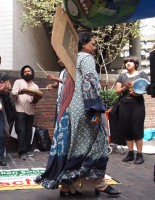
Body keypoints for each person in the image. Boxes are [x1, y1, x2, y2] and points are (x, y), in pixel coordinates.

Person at [34, 32, 120, 197]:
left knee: (73, 146)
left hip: (69, 110)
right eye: (92, 44)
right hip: (85, 109)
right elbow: (89, 83)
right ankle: (99, 184)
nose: (94, 48)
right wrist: (94, 109)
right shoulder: (86, 59)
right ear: (83, 44)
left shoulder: (70, 61)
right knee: (97, 144)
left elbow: (68, 86)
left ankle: (67, 186)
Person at [114, 55, 149, 164]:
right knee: (127, 128)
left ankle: (139, 155)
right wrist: (125, 87)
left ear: (136, 63)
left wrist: (137, 93)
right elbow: (117, 91)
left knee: (137, 128)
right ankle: (130, 153)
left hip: (137, 105)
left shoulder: (141, 74)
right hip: (124, 105)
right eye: (126, 62)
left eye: (130, 61)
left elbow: (147, 89)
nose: (128, 63)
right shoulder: (122, 76)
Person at [11, 65, 39, 160]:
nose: (27, 73)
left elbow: (36, 99)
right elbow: (13, 93)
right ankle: (22, 151)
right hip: (20, 109)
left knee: (28, 131)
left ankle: (27, 149)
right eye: (25, 71)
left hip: (30, 110)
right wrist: (21, 92)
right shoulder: (18, 82)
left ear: (32, 73)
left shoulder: (35, 86)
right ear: (23, 74)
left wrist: (35, 98)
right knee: (21, 131)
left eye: (29, 71)